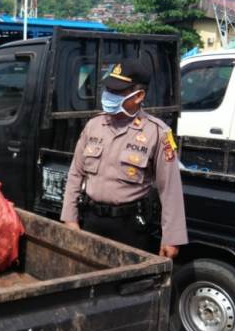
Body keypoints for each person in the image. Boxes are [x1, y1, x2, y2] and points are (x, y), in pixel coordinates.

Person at [60, 59, 187, 259]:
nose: (109, 96)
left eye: (118, 92)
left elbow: (169, 189)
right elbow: (76, 174)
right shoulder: (94, 125)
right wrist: (69, 217)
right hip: (91, 221)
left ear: (139, 96)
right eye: (108, 89)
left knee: (125, 286)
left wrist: (172, 237)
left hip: (130, 227)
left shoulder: (158, 133)